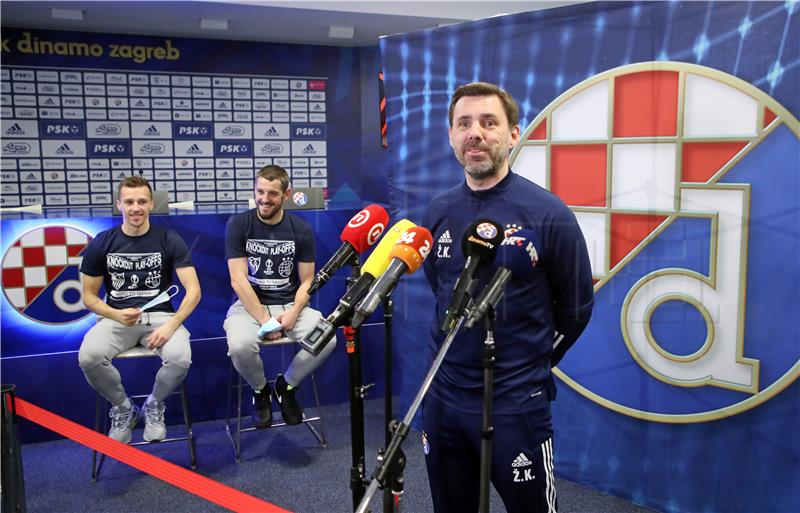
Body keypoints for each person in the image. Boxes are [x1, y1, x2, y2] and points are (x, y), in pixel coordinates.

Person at [421, 82, 595, 513]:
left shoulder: (548, 213)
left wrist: (531, 361)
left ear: (513, 134)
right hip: (445, 398)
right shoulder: (437, 212)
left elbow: (575, 310)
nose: (474, 133)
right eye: (464, 123)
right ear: (451, 135)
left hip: (517, 403)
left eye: (488, 122)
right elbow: (440, 289)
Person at [78, 176, 201, 444]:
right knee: (89, 357)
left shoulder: (169, 239)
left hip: (161, 318)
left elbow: (193, 291)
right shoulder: (102, 242)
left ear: (151, 204)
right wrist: (114, 314)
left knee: (181, 357)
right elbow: (88, 297)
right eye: (130, 202)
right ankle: (123, 408)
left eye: (142, 201)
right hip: (116, 318)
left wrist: (171, 325)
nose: (136, 207)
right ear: (118, 204)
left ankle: (154, 405)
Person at [224, 164, 332, 427]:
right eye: (260, 191)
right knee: (239, 346)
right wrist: (264, 320)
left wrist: (294, 312)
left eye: (272, 193)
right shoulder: (239, 224)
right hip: (251, 306)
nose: (264, 199)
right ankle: (260, 391)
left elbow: (307, 280)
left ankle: (286, 386)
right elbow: (238, 279)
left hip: (289, 304)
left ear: (286, 194)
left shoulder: (301, 228)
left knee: (326, 337)